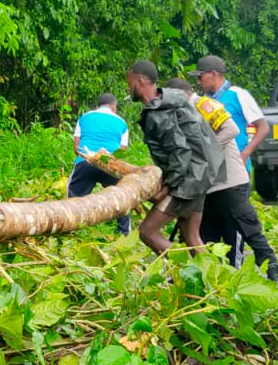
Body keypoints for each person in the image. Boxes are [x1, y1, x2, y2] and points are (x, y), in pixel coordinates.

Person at [169, 76, 278, 280]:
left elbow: (232, 129)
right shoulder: (185, 111)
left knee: (246, 231)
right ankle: (214, 279)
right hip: (208, 186)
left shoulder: (204, 104)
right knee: (206, 235)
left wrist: (204, 152)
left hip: (229, 181)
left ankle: (272, 273)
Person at [125, 60, 225, 254]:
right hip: (201, 174)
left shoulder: (159, 112)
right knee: (192, 237)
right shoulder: (173, 101)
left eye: (130, 83)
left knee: (147, 231)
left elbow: (180, 152)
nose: (128, 88)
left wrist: (166, 189)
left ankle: (186, 271)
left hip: (187, 181)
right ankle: (212, 280)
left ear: (140, 82)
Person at [195, 54, 272, 258]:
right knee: (210, 228)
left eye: (201, 76)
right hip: (212, 175)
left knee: (235, 226)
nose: (198, 81)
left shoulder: (237, 95)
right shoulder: (204, 102)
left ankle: (235, 269)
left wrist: (245, 152)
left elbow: (263, 127)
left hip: (235, 173)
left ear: (214, 74)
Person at [66, 92, 132, 235]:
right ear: (114, 106)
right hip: (110, 165)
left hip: (85, 161)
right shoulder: (122, 123)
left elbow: (76, 147)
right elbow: (122, 150)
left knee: (74, 198)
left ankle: (71, 231)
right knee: (121, 196)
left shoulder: (85, 117)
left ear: (98, 105)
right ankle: (124, 233)